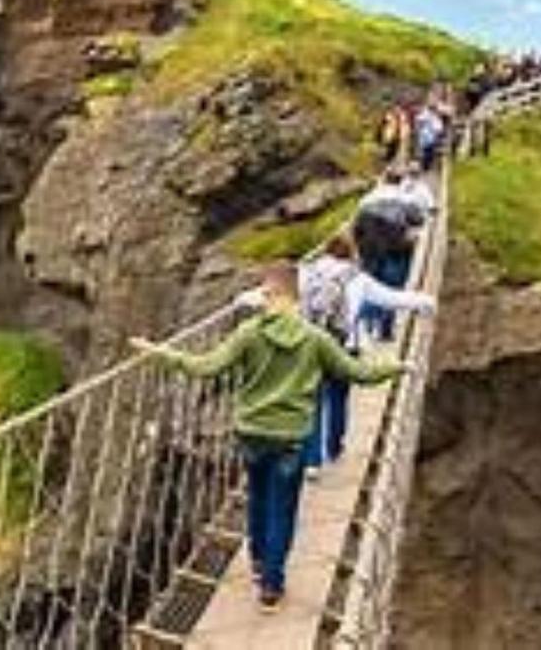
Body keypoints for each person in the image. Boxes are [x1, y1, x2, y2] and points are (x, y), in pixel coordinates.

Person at [129, 263, 406, 612]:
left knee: (258, 497)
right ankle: (271, 587)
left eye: (264, 293)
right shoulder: (315, 338)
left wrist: (157, 353)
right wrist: (396, 366)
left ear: (270, 294)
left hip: (252, 434)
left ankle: (259, 561)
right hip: (291, 438)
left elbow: (204, 367)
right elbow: (357, 373)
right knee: (284, 509)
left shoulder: (249, 333)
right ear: (297, 296)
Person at [298, 234, 436, 475]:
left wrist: (243, 300)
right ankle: (334, 447)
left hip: (309, 344)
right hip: (343, 345)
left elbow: (270, 292)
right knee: (338, 397)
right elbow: (391, 298)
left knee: (312, 402)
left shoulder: (305, 272)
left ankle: (311, 461)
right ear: (351, 254)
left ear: (325, 253)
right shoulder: (358, 278)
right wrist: (425, 301)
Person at [354, 171, 424, 340]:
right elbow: (419, 219)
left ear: (383, 180)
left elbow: (357, 227)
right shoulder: (407, 199)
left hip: (369, 252)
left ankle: (366, 325)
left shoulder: (366, 200)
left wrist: (359, 249)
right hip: (396, 250)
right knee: (392, 289)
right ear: (400, 181)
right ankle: (385, 329)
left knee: (369, 286)